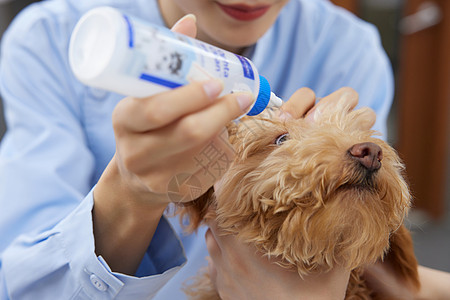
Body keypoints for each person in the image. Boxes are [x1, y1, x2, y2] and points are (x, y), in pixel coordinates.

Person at [0, 0, 436, 299]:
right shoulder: (52, 39)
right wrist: (130, 194)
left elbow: (359, 247)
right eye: (282, 139)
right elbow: (22, 287)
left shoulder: (348, 48)